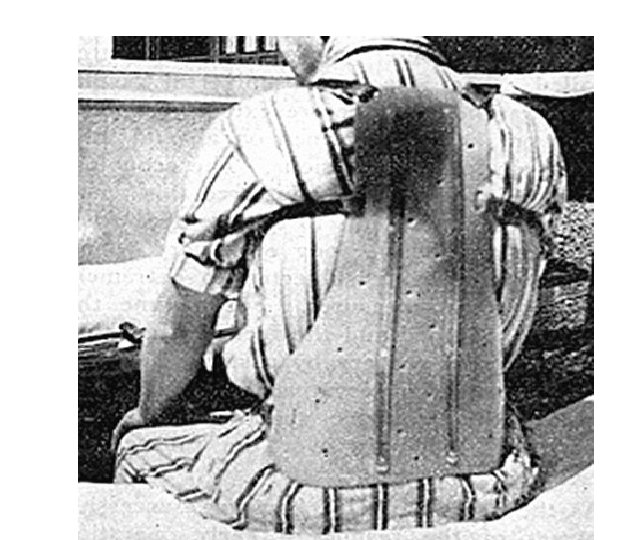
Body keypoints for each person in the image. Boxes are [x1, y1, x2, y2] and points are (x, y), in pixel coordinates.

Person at [112, 36, 567, 534]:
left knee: (138, 450)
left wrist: (146, 413)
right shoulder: (529, 134)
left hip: (296, 487)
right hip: (483, 483)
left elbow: (179, 327)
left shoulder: (263, 127)